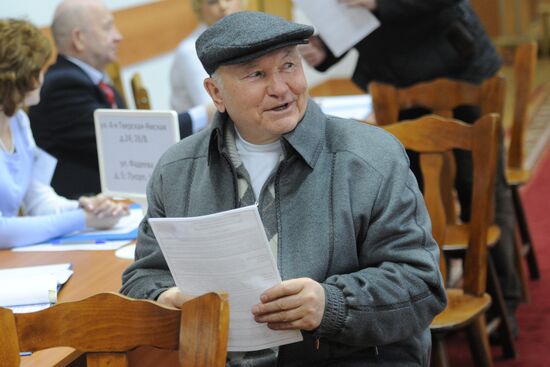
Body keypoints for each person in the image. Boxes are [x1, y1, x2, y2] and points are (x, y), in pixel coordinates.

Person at [121, 11, 446, 366]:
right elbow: (143, 276)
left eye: (289, 66)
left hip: (349, 356)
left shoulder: (369, 158)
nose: (280, 88)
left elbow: (420, 283)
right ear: (216, 93)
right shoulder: (177, 170)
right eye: (257, 74)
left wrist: (331, 304)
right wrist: (166, 298)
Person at [300, 0, 522, 336]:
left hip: (458, 65)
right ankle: (424, 301)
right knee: (408, 194)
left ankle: (504, 298)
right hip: (394, 82)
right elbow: (351, 18)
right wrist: (325, 50)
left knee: (476, 183)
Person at [28, 0, 203, 199]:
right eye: (107, 27)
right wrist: (202, 115)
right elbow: (131, 140)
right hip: (84, 208)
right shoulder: (62, 85)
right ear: (79, 38)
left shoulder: (96, 78)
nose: (118, 36)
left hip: (117, 201)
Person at [0, 18, 128, 249]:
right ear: (23, 77)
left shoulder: (18, 121)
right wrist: (81, 219)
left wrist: (84, 207)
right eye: (38, 69)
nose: (43, 76)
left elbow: (37, 198)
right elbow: (2, 231)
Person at [169, 0, 242, 113]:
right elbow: (215, 108)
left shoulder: (245, 36)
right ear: (199, 9)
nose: (223, 6)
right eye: (212, 2)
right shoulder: (190, 51)